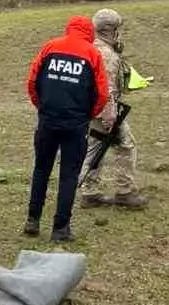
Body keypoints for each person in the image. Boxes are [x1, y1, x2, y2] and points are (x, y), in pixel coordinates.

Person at [24, 16, 110, 243]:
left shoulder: (50, 46)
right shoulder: (92, 54)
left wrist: (41, 107)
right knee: (68, 175)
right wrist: (88, 115)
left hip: (47, 121)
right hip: (76, 124)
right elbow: (102, 93)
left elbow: (32, 81)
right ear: (89, 32)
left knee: (41, 169)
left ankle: (33, 219)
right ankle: (60, 228)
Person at [79, 8, 146, 210]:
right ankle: (125, 191)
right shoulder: (106, 54)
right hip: (104, 110)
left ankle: (89, 193)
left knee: (94, 148)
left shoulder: (92, 47)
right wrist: (109, 115)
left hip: (91, 109)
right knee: (125, 146)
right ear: (111, 30)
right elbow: (106, 88)